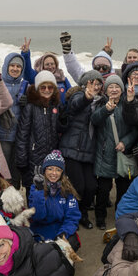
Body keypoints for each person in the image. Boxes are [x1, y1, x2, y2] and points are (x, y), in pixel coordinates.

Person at [91, 75, 138, 229]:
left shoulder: (128, 104)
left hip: (122, 153)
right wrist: (106, 109)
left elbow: (135, 129)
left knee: (123, 189)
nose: (114, 89)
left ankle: (121, 215)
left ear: (121, 89)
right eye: (110, 87)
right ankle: (100, 217)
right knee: (103, 190)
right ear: (106, 90)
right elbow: (94, 120)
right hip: (105, 153)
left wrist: (126, 142)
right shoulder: (101, 104)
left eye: (117, 86)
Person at [60, 71, 103, 229]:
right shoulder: (77, 96)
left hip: (89, 151)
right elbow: (76, 105)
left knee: (91, 187)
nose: (95, 86)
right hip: (72, 149)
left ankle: (83, 213)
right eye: (92, 83)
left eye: (98, 84)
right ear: (85, 84)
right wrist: (87, 97)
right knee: (78, 186)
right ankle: (73, 215)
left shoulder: (102, 101)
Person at [15, 70, 64, 184]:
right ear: (37, 88)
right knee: (33, 189)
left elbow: (60, 130)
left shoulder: (56, 106)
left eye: (50, 87)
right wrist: (22, 161)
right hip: (33, 158)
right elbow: (22, 135)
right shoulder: (30, 107)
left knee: (50, 189)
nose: (47, 90)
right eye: (43, 87)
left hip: (52, 158)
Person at [0, 52, 28, 188]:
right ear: (6, 66)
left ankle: (15, 196)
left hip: (19, 136)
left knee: (16, 169)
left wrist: (28, 102)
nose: (15, 69)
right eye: (12, 65)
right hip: (1, 134)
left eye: (19, 66)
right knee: (2, 169)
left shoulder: (26, 86)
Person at [28, 151, 81, 248]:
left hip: (60, 229)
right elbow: (38, 217)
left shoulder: (68, 191)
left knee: (72, 242)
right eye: (50, 169)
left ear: (62, 173)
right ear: (44, 170)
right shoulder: (35, 188)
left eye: (58, 170)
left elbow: (72, 217)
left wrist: (63, 234)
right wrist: (39, 191)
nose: (54, 173)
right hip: (40, 231)